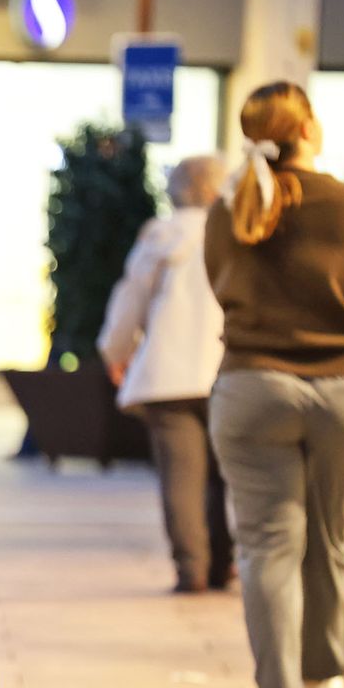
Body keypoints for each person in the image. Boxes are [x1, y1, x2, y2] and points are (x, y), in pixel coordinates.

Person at [205, 82, 344, 688]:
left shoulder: (229, 206)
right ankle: (322, 679)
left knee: (267, 545)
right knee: (329, 540)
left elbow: (222, 292)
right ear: (309, 129)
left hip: (252, 388)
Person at [98, 156, 232, 595]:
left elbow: (130, 300)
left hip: (168, 374)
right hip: (226, 370)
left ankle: (191, 568)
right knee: (223, 474)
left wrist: (115, 352)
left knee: (181, 476)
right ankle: (223, 565)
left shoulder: (162, 235)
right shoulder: (236, 233)